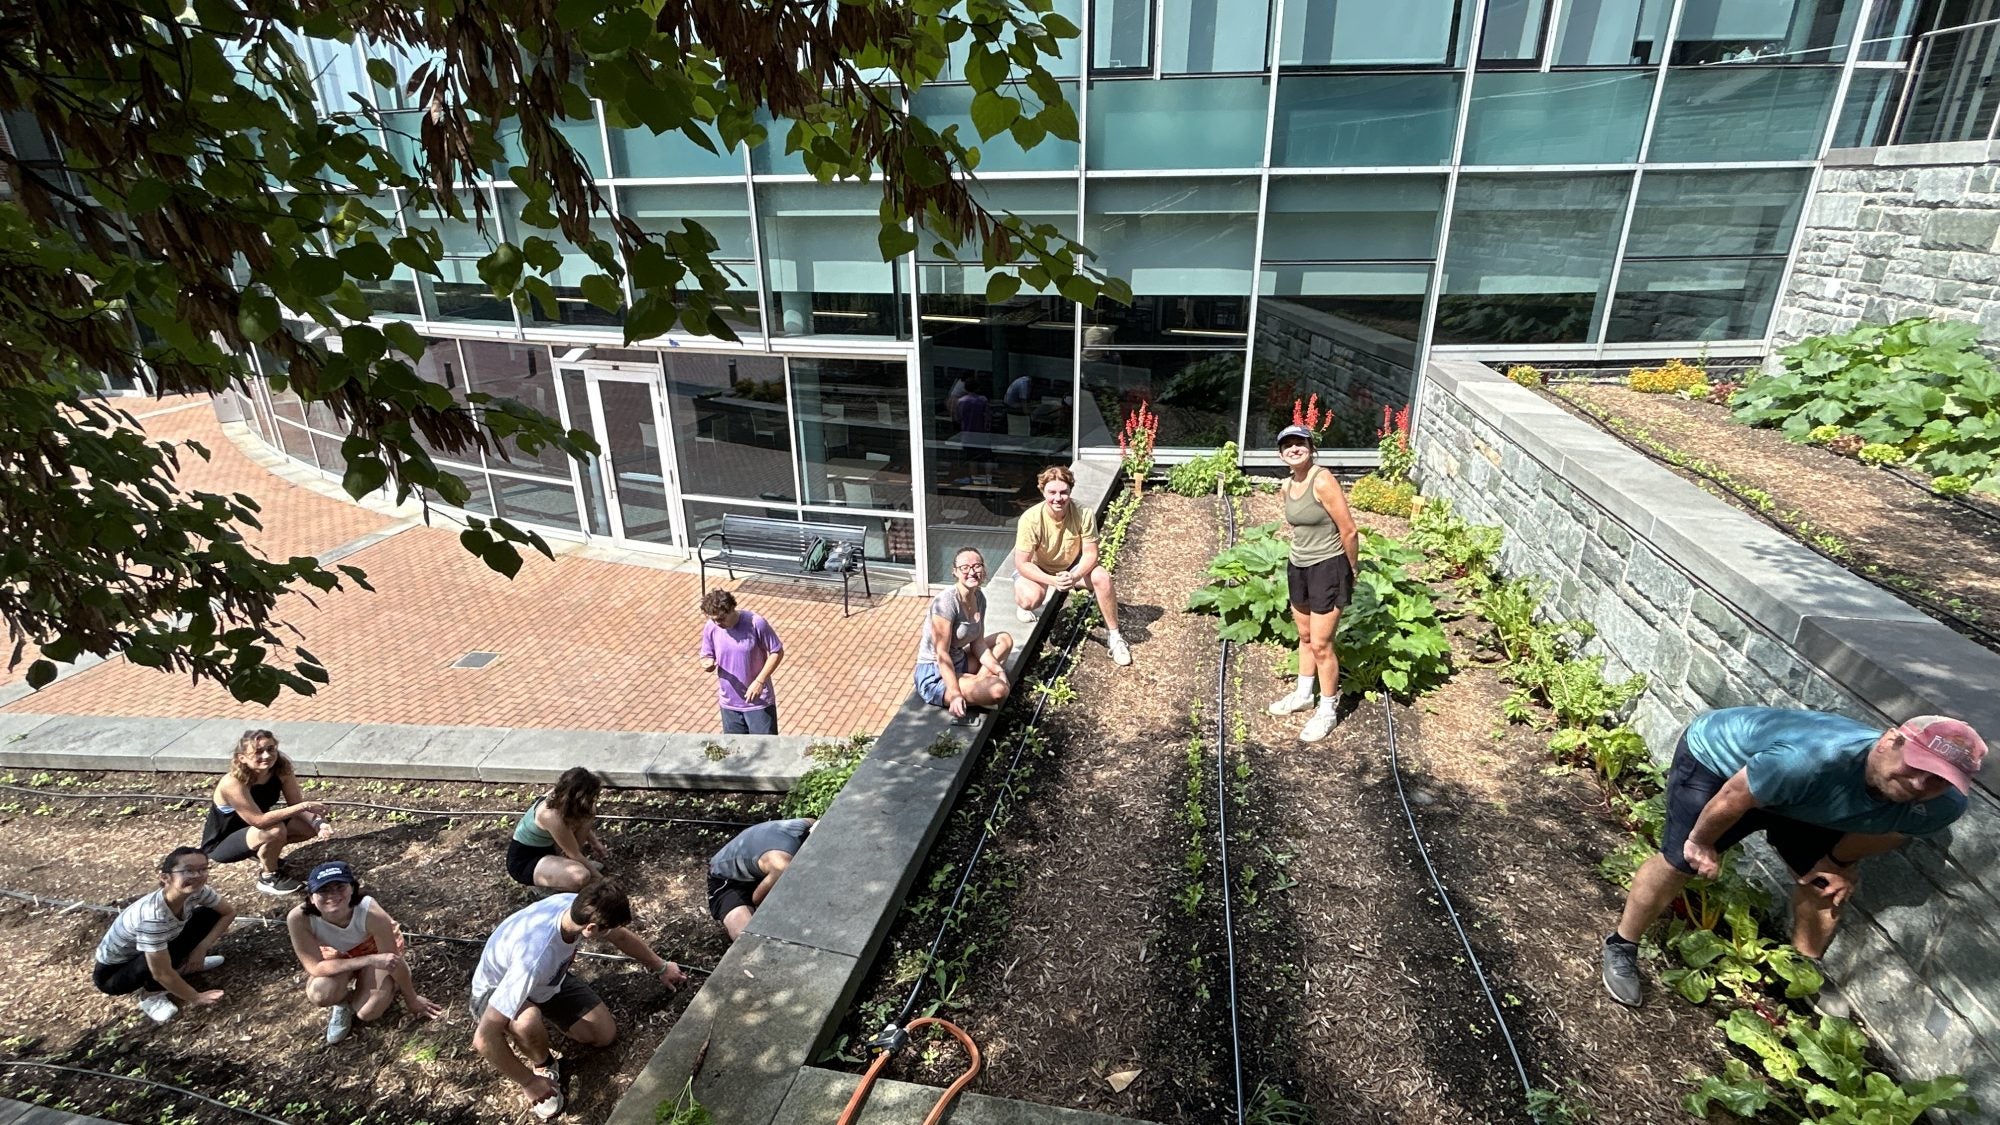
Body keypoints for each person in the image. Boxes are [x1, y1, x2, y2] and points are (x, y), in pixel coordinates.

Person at [1600, 709, 1987, 1007]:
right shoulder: (1810, 760)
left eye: (1937, 779)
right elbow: (1735, 798)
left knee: (1826, 885)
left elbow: (1893, 831)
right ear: (1890, 741)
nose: (1921, 784)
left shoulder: (1942, 805)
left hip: (1799, 796)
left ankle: (1799, 976)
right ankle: (1622, 944)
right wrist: (1701, 842)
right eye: (1917, 766)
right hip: (1722, 766)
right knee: (1678, 862)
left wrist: (1837, 862)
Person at [470, 879, 686, 1121]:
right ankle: (543, 1064)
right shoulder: (533, 959)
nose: (611, 933)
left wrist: (660, 966)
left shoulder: (576, 906)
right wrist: (528, 1081)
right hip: (496, 989)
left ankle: (539, 1023)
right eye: (606, 930)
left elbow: (621, 937)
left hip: (548, 980)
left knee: (603, 1035)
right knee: (526, 1022)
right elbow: (483, 1038)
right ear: (591, 928)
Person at [1264, 424, 1361, 743]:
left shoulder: (1323, 479)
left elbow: (1349, 530)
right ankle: (1304, 694)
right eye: (1287, 445)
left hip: (1328, 567)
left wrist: (1351, 569)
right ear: (1281, 454)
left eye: (1300, 443)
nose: (1294, 449)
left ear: (1311, 447)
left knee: (1321, 644)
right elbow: (1300, 529)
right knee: (1304, 636)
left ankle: (1327, 710)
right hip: (1298, 566)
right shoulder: (1287, 485)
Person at [286, 860, 444, 1044]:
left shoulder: (370, 912)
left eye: (339, 887)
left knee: (368, 1012)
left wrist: (412, 998)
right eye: (323, 890)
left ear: (352, 888)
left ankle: (390, 986)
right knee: (320, 993)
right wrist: (366, 961)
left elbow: (392, 959)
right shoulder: (299, 919)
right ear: (311, 897)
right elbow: (315, 967)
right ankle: (343, 1003)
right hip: (341, 954)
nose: (333, 895)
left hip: (374, 949)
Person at [92, 846, 236, 1024]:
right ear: (165, 877)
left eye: (203, 869)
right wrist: (196, 997)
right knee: (162, 954)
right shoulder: (152, 917)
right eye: (188, 870)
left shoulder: (198, 891)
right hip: (114, 974)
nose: (198, 875)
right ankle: (150, 995)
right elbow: (160, 971)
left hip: (158, 947)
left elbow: (228, 912)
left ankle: (184, 966)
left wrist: (201, 948)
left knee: (208, 915)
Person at [1012, 465, 1131, 666]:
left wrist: (1074, 577)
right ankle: (1021, 595)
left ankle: (1115, 637)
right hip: (1039, 568)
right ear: (1042, 491)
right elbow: (1022, 563)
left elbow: (1091, 554)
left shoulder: (1083, 514)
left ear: (1070, 491)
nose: (1058, 498)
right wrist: (1052, 580)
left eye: (1063, 492)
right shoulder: (1030, 519)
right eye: (1052, 492)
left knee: (1102, 577)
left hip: (1072, 567)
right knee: (1030, 600)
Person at [201, 729, 332, 894]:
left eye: (271, 749)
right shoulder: (233, 783)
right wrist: (304, 807)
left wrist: (319, 823)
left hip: (254, 832)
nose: (266, 756)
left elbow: (295, 803)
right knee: (275, 830)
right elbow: (259, 821)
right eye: (258, 752)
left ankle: (264, 852)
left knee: (306, 827)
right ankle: (268, 877)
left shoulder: (281, 768)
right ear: (242, 758)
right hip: (222, 843)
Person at [915, 546, 1013, 719]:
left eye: (977, 566)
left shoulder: (979, 597)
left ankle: (976, 685)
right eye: (965, 568)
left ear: (983, 569)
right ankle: (973, 689)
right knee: (999, 690)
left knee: (1004, 639)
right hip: (936, 672)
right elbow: (942, 654)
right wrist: (954, 694)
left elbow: (979, 644)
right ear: (955, 572)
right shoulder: (946, 602)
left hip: (960, 660)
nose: (972, 572)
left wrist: (999, 670)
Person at [707, 817, 815, 941]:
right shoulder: (781, 864)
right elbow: (757, 899)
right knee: (746, 937)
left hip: (759, 867)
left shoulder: (807, 824)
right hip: (728, 879)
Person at [507, 767, 611, 893]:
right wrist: (603, 881)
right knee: (581, 877)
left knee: (589, 812)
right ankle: (548, 885)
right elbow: (574, 853)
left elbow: (580, 818)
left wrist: (595, 842)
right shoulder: (550, 816)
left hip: (550, 848)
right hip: (526, 860)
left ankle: (566, 866)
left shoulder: (563, 798)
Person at [697, 589, 785, 735]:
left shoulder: (756, 623)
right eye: (713, 619)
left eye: (721, 618)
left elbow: (777, 652)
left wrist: (759, 681)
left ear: (732, 609)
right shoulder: (711, 627)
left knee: (766, 751)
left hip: (758, 703)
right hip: (729, 703)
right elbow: (706, 654)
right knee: (735, 750)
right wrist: (706, 663)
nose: (717, 623)